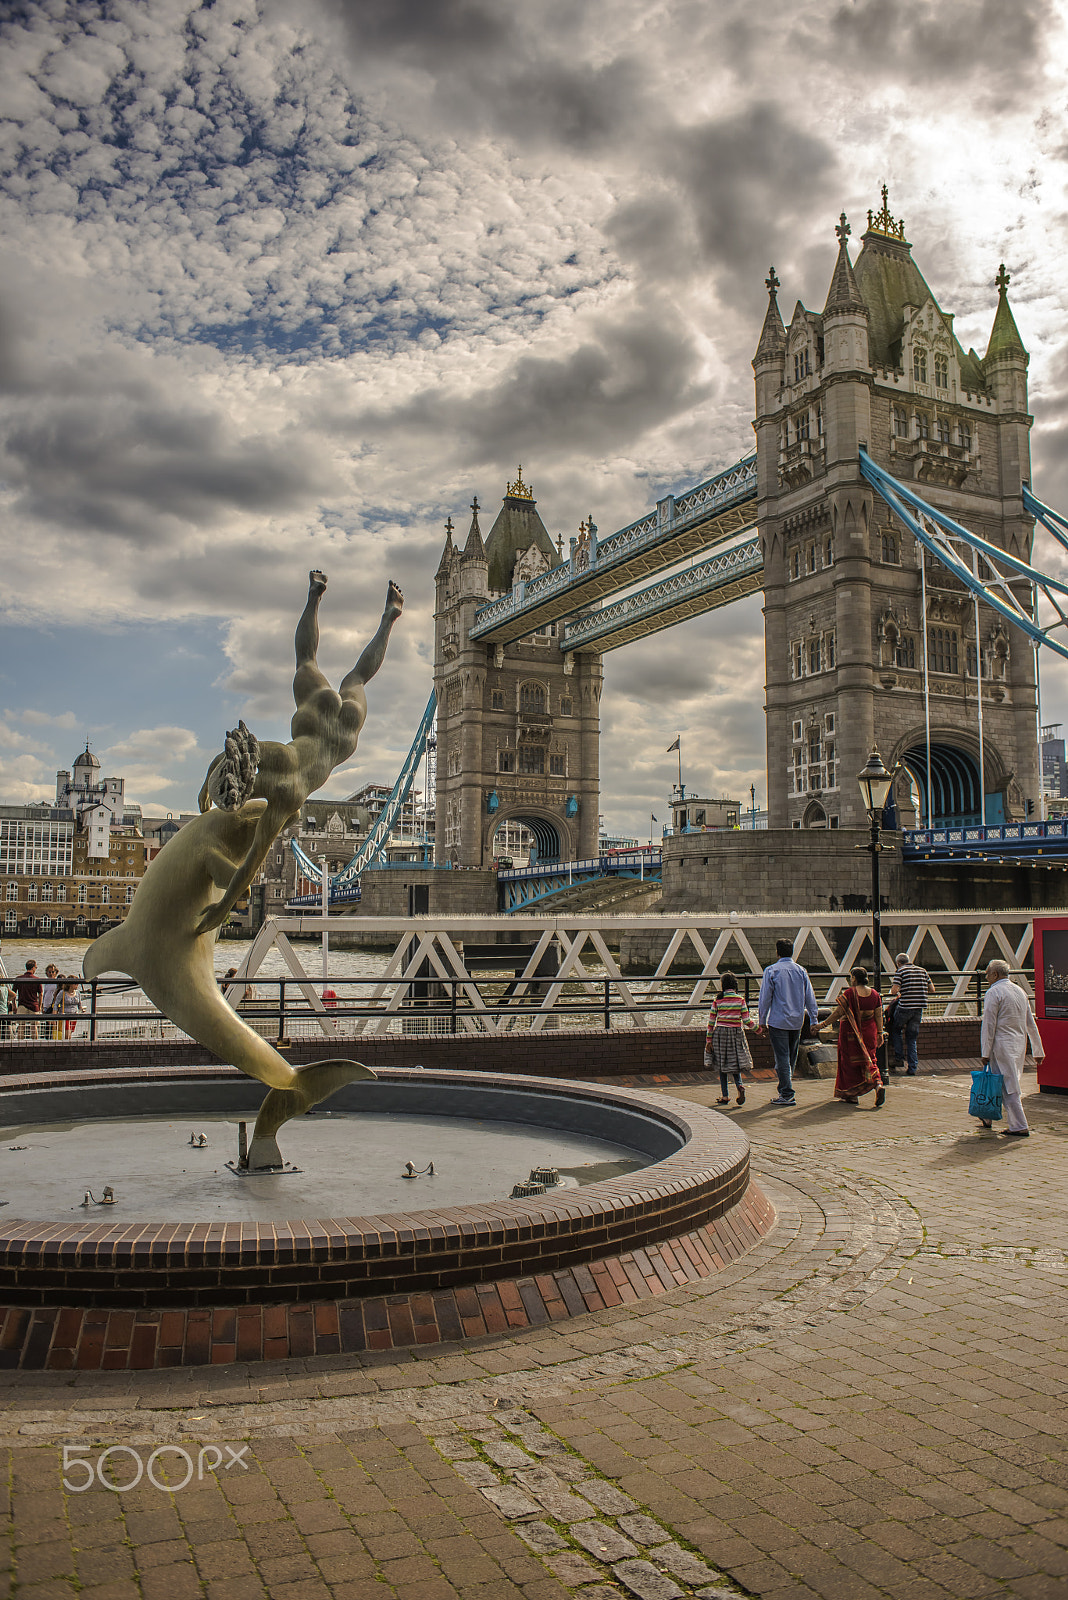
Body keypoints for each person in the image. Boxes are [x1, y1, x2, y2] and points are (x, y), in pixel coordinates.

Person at [195, 570, 403, 935]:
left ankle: (388, 619)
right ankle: (317, 595)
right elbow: (241, 751)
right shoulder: (279, 757)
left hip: (343, 735)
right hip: (317, 713)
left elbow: (249, 868)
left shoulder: (287, 801)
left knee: (355, 678)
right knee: (307, 659)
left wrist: (222, 909)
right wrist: (208, 779)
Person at [979, 958, 1043, 1137]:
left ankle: (1019, 1125)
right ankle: (987, 1116)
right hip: (1018, 1045)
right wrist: (1038, 1050)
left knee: (1008, 1086)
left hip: (1001, 1046)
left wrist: (985, 1051)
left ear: (995, 974)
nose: (986, 978)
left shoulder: (994, 992)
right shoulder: (1020, 991)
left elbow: (989, 1024)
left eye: (987, 974)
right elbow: (1030, 1022)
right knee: (1004, 1082)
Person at [758, 938, 818, 1106]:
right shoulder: (801, 971)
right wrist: (813, 1019)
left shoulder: (771, 971)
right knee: (791, 1056)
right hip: (797, 1021)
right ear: (792, 952)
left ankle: (787, 1092)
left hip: (778, 1021)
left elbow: (765, 999)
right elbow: (810, 997)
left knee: (782, 1057)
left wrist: (762, 1020)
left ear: (777, 952)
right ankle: (785, 1087)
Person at [822, 965, 886, 1108]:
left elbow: (838, 1013)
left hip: (850, 1034)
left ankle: (852, 1095)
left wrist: (822, 1025)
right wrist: (880, 1033)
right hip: (869, 1033)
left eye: (851, 977)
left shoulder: (850, 994)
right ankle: (878, 1084)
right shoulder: (875, 994)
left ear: (855, 978)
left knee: (849, 1063)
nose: (851, 980)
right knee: (870, 1060)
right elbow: (878, 1015)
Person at [703, 973, 754, 1107]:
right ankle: (740, 1086)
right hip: (736, 1033)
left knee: (722, 1065)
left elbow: (711, 1022)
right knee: (735, 1064)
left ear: (723, 985)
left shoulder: (717, 1000)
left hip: (720, 1034)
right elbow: (747, 1020)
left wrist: (709, 1040)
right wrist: (758, 1030)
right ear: (735, 985)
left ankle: (725, 1096)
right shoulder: (740, 999)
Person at [889, 951, 933, 1075]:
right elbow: (932, 989)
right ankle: (912, 1067)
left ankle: (899, 1058)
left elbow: (894, 991)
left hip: (904, 1008)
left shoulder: (900, 971)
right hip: (919, 1008)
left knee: (896, 1030)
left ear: (898, 963)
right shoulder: (923, 970)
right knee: (912, 1038)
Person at [11, 960, 43, 1040]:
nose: (36, 969)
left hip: (22, 1005)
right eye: (36, 967)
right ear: (32, 968)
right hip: (34, 1005)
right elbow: (41, 994)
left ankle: (20, 1043)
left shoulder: (18, 979)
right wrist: (40, 1006)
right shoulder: (37, 979)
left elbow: (13, 993)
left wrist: (14, 1005)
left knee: (21, 1026)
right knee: (34, 1026)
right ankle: (34, 1043)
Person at [42, 964, 61, 1040]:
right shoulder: (46, 983)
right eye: (49, 972)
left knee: (52, 1025)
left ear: (56, 973)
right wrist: (42, 1005)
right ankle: (48, 1040)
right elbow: (44, 994)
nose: (51, 974)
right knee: (47, 1026)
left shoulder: (56, 983)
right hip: (46, 1006)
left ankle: (53, 1040)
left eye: (53, 972)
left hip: (52, 1006)